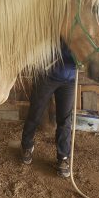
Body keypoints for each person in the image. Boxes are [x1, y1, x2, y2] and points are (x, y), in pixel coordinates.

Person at [21, 43, 76, 178]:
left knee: (65, 118)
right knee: (35, 112)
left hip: (69, 79)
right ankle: (27, 146)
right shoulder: (54, 26)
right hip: (45, 76)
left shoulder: (80, 30)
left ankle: (63, 157)